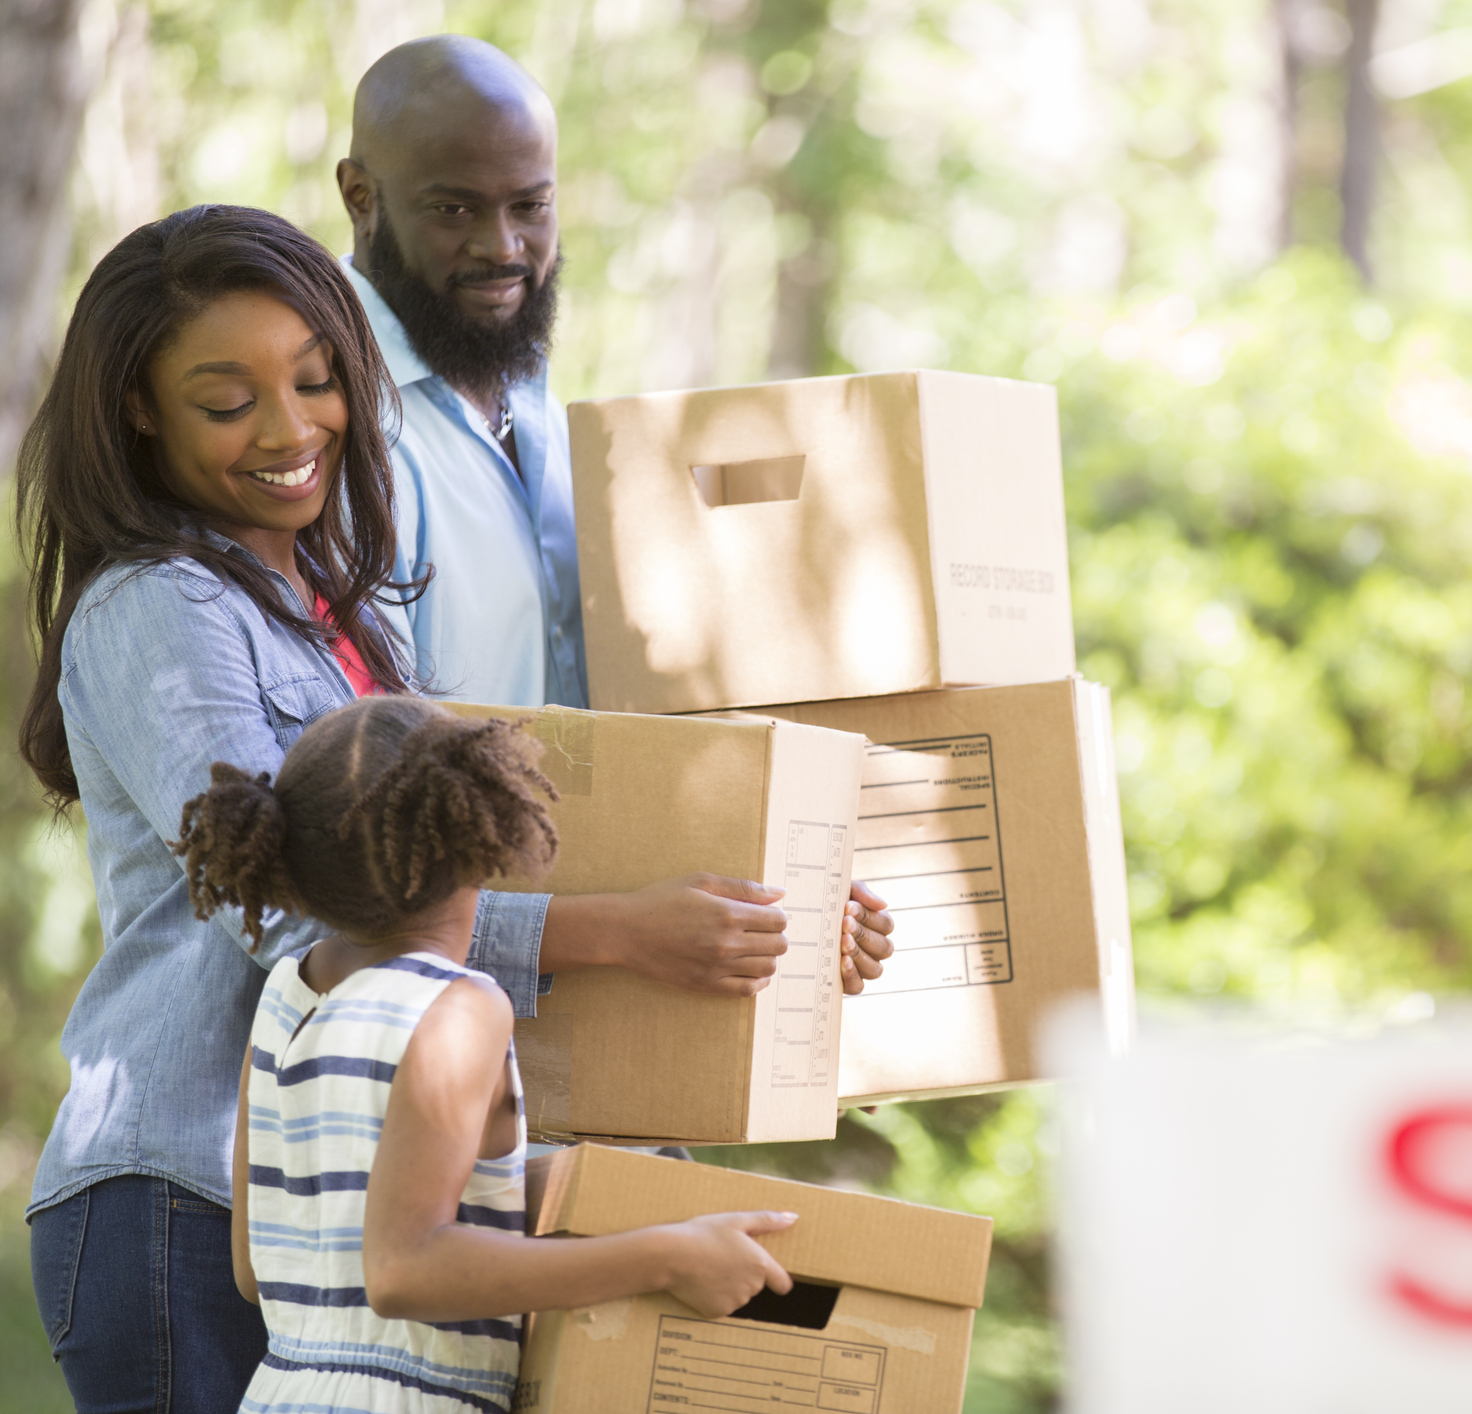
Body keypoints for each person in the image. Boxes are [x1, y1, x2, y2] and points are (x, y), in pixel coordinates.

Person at [13, 205, 798, 1410]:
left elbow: (457, 855)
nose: (290, 430)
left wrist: (776, 921)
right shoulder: (158, 610)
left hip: (338, 1202)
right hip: (184, 1196)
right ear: (137, 409)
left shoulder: (335, 600)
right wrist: (627, 932)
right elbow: (296, 908)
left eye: (318, 380)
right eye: (227, 402)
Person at [333, 33, 895, 995]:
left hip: (594, 994)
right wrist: (619, 931)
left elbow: (624, 726)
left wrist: (788, 896)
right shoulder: (334, 430)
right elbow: (349, 816)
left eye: (530, 206)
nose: (502, 247)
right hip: (420, 1024)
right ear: (361, 197)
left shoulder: (552, 422)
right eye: (454, 209)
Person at [172, 696, 799, 1411]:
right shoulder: (459, 1009)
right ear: (481, 836)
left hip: (279, 1389)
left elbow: (260, 1264)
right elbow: (403, 1269)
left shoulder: (288, 993)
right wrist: (668, 1256)